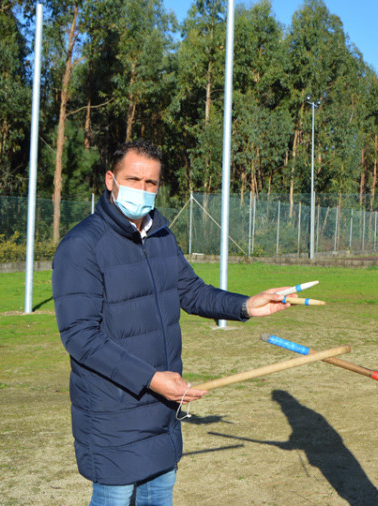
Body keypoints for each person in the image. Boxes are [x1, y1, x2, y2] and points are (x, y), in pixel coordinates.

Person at [52, 140, 290, 505]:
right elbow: (80, 336)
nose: (143, 190)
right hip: (114, 414)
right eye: (134, 179)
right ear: (110, 180)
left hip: (162, 409)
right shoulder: (82, 245)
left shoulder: (161, 235)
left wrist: (246, 305)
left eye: (151, 183)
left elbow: (192, 292)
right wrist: (150, 379)